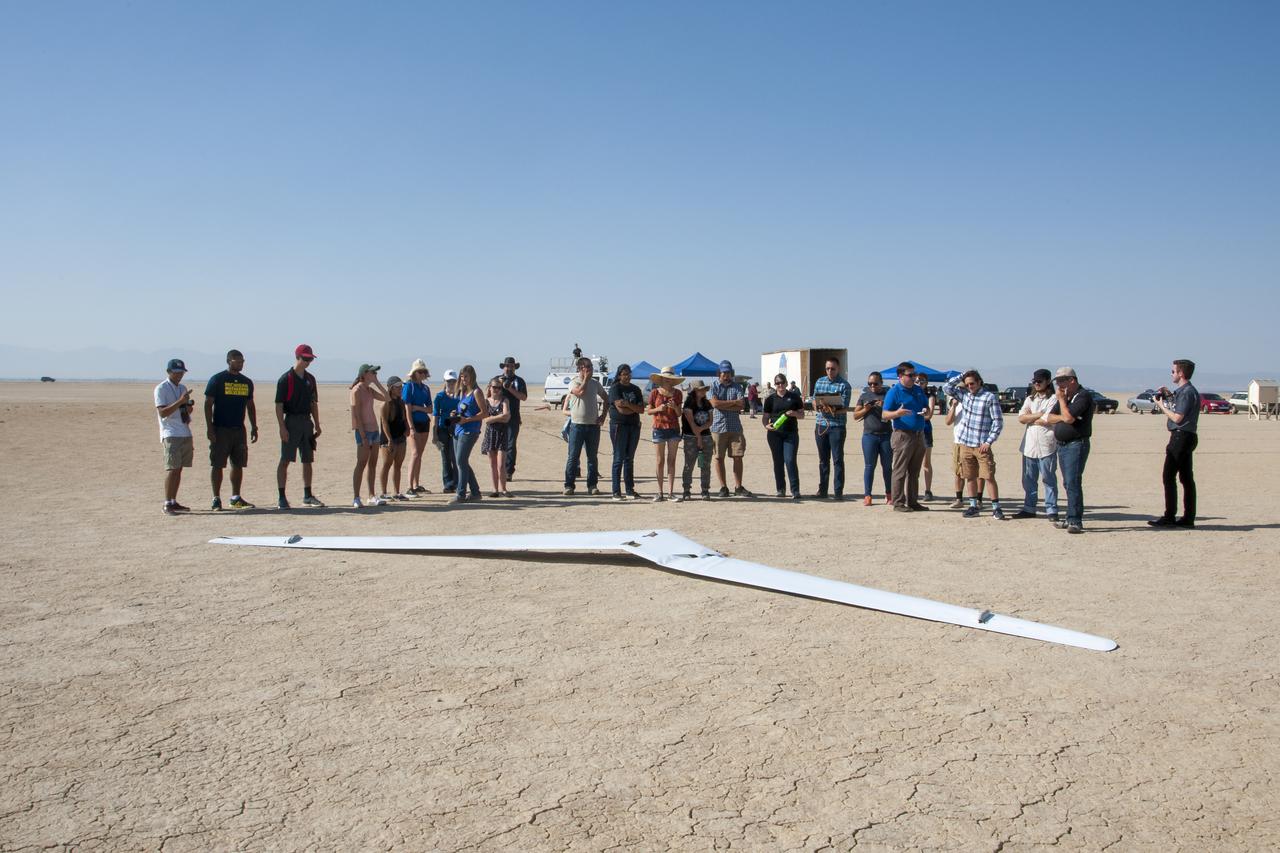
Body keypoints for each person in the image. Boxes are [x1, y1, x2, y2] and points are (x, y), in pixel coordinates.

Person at [946, 369, 1006, 520]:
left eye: (972, 383)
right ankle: (973, 505)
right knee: (969, 477)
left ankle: (996, 507)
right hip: (966, 444)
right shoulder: (965, 395)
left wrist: (988, 441)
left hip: (981, 445)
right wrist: (961, 376)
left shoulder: (989, 397)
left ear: (979, 382)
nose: (970, 386)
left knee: (988, 476)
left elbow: (998, 422)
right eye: (967, 384)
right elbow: (947, 388)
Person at [1041, 367, 1094, 534]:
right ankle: (1070, 516)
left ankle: (1075, 520)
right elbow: (1049, 417)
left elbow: (1069, 418)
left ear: (1072, 380)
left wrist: (1063, 403)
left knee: (1073, 481)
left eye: (1062, 381)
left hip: (1076, 444)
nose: (1059, 385)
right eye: (1057, 382)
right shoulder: (1068, 397)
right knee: (1067, 482)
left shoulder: (1082, 396)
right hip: (1062, 445)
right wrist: (1064, 414)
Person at [203, 349, 258, 510]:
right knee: (218, 464)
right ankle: (216, 498)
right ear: (229, 361)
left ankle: (235, 497)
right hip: (220, 429)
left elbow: (250, 406)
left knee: (238, 464)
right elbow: (208, 404)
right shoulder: (217, 380)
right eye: (237, 360)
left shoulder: (246, 382)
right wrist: (210, 428)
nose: (241, 363)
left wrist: (254, 426)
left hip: (239, 429)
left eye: (242, 360)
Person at [1150, 359, 1200, 529]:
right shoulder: (1184, 391)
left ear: (1181, 373)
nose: (1171, 374)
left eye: (1173, 371)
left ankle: (1170, 516)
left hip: (1181, 437)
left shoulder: (1187, 392)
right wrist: (1169, 395)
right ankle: (1188, 517)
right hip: (1186, 436)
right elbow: (1178, 406)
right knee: (1186, 478)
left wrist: (1160, 405)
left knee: (1169, 476)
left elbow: (1178, 417)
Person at [275, 344, 323, 509]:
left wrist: (317, 423)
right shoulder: (285, 379)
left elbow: (313, 403)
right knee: (285, 459)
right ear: (297, 357)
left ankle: (307, 495)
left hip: (306, 422)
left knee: (308, 459)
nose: (308, 361)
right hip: (291, 421)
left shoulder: (310, 379)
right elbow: (279, 405)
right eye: (305, 358)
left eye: (310, 359)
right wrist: (282, 427)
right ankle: (282, 497)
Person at [882, 361, 932, 512]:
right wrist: (897, 413)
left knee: (914, 471)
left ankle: (913, 501)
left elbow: (928, 409)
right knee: (900, 470)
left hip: (919, 435)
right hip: (902, 435)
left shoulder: (917, 390)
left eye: (914, 374)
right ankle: (898, 502)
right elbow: (884, 414)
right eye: (910, 375)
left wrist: (926, 412)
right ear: (900, 377)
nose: (914, 378)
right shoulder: (894, 392)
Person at [1012, 370, 1059, 521]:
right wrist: (1039, 414)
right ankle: (1029, 508)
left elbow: (1049, 419)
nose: (1037, 384)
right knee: (1028, 479)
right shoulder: (1030, 399)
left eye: (1040, 381)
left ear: (1048, 381)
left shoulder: (1053, 399)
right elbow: (1021, 418)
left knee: (1048, 478)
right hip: (1029, 445)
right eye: (1035, 381)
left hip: (1047, 445)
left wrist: (1032, 417)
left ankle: (1051, 509)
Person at [563, 356, 608, 495]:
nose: (590, 370)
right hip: (577, 425)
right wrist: (586, 380)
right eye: (587, 367)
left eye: (591, 367)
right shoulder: (574, 383)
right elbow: (580, 392)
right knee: (573, 456)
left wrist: (603, 416)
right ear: (580, 369)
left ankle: (592, 485)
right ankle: (569, 486)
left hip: (593, 426)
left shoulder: (595, 384)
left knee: (592, 457)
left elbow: (607, 398)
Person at [156, 358, 195, 515]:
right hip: (170, 433)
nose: (179, 375)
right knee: (172, 468)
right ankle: (167, 502)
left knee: (179, 469)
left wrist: (188, 406)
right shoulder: (161, 389)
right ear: (169, 372)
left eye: (181, 372)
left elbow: (184, 412)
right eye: (176, 372)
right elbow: (162, 412)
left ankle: (173, 500)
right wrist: (180, 402)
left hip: (184, 432)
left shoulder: (182, 388)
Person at [812, 358, 852, 500]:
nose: (830, 371)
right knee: (823, 460)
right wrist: (817, 406)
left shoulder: (844, 385)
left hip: (837, 427)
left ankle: (838, 491)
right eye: (828, 368)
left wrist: (832, 409)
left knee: (837, 459)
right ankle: (822, 490)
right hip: (821, 425)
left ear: (838, 369)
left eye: (833, 368)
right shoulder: (819, 382)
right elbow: (814, 400)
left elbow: (845, 407)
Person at [349, 364, 388, 508]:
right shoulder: (357, 390)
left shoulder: (369, 390)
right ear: (364, 374)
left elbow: (387, 397)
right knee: (361, 463)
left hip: (374, 430)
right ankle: (356, 497)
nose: (375, 375)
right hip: (363, 431)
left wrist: (377, 383)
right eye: (372, 373)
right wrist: (363, 435)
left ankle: (371, 495)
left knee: (372, 464)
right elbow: (357, 414)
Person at [451, 365, 490, 504]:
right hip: (458, 429)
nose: (463, 379)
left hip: (470, 430)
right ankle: (475, 492)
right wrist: (455, 415)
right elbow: (463, 410)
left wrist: (468, 419)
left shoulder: (476, 392)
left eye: (466, 376)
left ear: (472, 376)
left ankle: (461, 494)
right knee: (461, 461)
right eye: (462, 376)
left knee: (461, 460)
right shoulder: (463, 392)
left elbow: (484, 413)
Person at [646, 367, 685, 502]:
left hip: (673, 428)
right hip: (659, 428)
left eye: (670, 378)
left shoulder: (678, 394)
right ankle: (660, 492)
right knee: (659, 460)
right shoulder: (655, 393)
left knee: (672, 460)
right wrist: (659, 409)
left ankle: (670, 492)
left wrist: (674, 407)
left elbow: (680, 414)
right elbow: (648, 411)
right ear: (661, 379)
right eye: (665, 378)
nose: (667, 380)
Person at [762, 373, 804, 499]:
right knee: (778, 461)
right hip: (774, 435)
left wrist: (794, 413)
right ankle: (780, 489)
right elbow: (765, 417)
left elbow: (802, 415)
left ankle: (795, 490)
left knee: (790, 460)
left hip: (790, 433)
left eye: (782, 382)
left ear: (786, 383)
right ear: (775, 385)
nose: (780, 385)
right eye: (777, 383)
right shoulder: (770, 399)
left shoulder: (795, 397)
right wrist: (766, 426)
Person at [854, 371, 892, 506]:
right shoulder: (865, 396)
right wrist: (866, 409)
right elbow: (855, 415)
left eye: (875, 383)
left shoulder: (888, 395)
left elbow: (894, 413)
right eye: (870, 383)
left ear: (881, 383)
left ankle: (889, 494)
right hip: (869, 436)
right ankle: (868, 495)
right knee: (869, 466)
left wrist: (884, 407)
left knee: (887, 467)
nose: (872, 386)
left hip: (886, 435)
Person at [607, 363, 644, 500]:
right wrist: (632, 407)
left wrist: (628, 404)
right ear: (619, 375)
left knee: (629, 459)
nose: (627, 376)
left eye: (629, 373)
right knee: (618, 458)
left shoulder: (635, 389)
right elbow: (620, 410)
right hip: (619, 426)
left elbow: (641, 410)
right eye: (624, 374)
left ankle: (629, 490)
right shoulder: (615, 388)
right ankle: (616, 491)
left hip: (634, 426)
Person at [402, 359, 433, 496]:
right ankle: (409, 486)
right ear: (414, 373)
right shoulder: (409, 387)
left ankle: (416, 484)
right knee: (414, 454)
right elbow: (407, 409)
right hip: (413, 424)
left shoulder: (425, 388)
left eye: (424, 371)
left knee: (419, 455)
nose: (422, 374)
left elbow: (431, 409)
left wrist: (418, 408)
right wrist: (411, 427)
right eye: (420, 371)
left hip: (424, 423)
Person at [681, 379, 714, 501]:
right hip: (691, 437)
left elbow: (710, 421)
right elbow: (690, 422)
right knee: (689, 465)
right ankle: (686, 490)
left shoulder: (707, 403)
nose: (703, 391)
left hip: (706, 437)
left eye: (704, 389)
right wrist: (699, 437)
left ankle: (705, 490)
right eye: (701, 389)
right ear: (695, 390)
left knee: (706, 465)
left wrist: (701, 429)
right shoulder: (689, 403)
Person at [378, 375, 410, 501]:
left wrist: (407, 429)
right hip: (388, 439)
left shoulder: (401, 402)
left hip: (400, 437)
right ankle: (384, 492)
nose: (400, 389)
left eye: (401, 386)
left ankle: (397, 492)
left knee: (398, 465)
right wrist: (389, 439)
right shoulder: (386, 403)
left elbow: (404, 418)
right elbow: (384, 422)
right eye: (398, 387)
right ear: (391, 388)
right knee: (387, 464)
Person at [480, 376, 513, 498]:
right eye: (494, 387)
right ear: (490, 387)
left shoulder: (505, 400)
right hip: (490, 435)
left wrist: (493, 418)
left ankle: (504, 489)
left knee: (501, 464)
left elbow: (507, 417)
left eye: (499, 388)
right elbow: (485, 419)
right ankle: (495, 489)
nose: (497, 390)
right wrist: (499, 417)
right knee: (492, 464)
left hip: (502, 434)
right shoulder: (485, 401)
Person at [497, 357, 528, 480]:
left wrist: (510, 388)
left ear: (515, 367)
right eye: (507, 366)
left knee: (510, 444)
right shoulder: (496, 380)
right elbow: (489, 395)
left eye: (512, 366)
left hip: (513, 417)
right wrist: (499, 385)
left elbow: (523, 397)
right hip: (498, 416)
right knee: (498, 444)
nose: (509, 368)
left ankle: (508, 471)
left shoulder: (519, 381)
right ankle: (500, 469)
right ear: (503, 367)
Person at [432, 369, 459, 493]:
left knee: (456, 457)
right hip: (442, 429)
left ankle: (458, 483)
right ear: (444, 381)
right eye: (449, 381)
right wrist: (434, 434)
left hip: (456, 428)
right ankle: (448, 484)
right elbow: (436, 415)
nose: (451, 383)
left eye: (453, 381)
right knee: (445, 457)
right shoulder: (439, 397)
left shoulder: (460, 396)